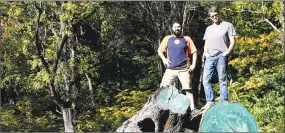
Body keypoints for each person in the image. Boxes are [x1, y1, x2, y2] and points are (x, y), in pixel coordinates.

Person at [201, 7, 236, 110]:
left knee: (222, 79)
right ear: (210, 17)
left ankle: (224, 101)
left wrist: (227, 53)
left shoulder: (227, 25)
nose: (215, 17)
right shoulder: (208, 29)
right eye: (212, 16)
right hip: (210, 57)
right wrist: (206, 53)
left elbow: (233, 40)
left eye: (216, 15)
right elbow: (206, 43)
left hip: (221, 55)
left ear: (219, 14)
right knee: (206, 79)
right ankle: (210, 101)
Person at [158, 22, 197, 111]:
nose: (177, 28)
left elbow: (194, 52)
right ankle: (162, 108)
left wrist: (193, 64)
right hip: (170, 69)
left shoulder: (186, 39)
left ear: (181, 28)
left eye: (178, 27)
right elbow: (160, 50)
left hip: (184, 69)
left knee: (188, 89)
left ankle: (192, 108)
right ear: (172, 28)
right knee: (163, 88)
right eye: (175, 27)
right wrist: (164, 59)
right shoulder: (167, 39)